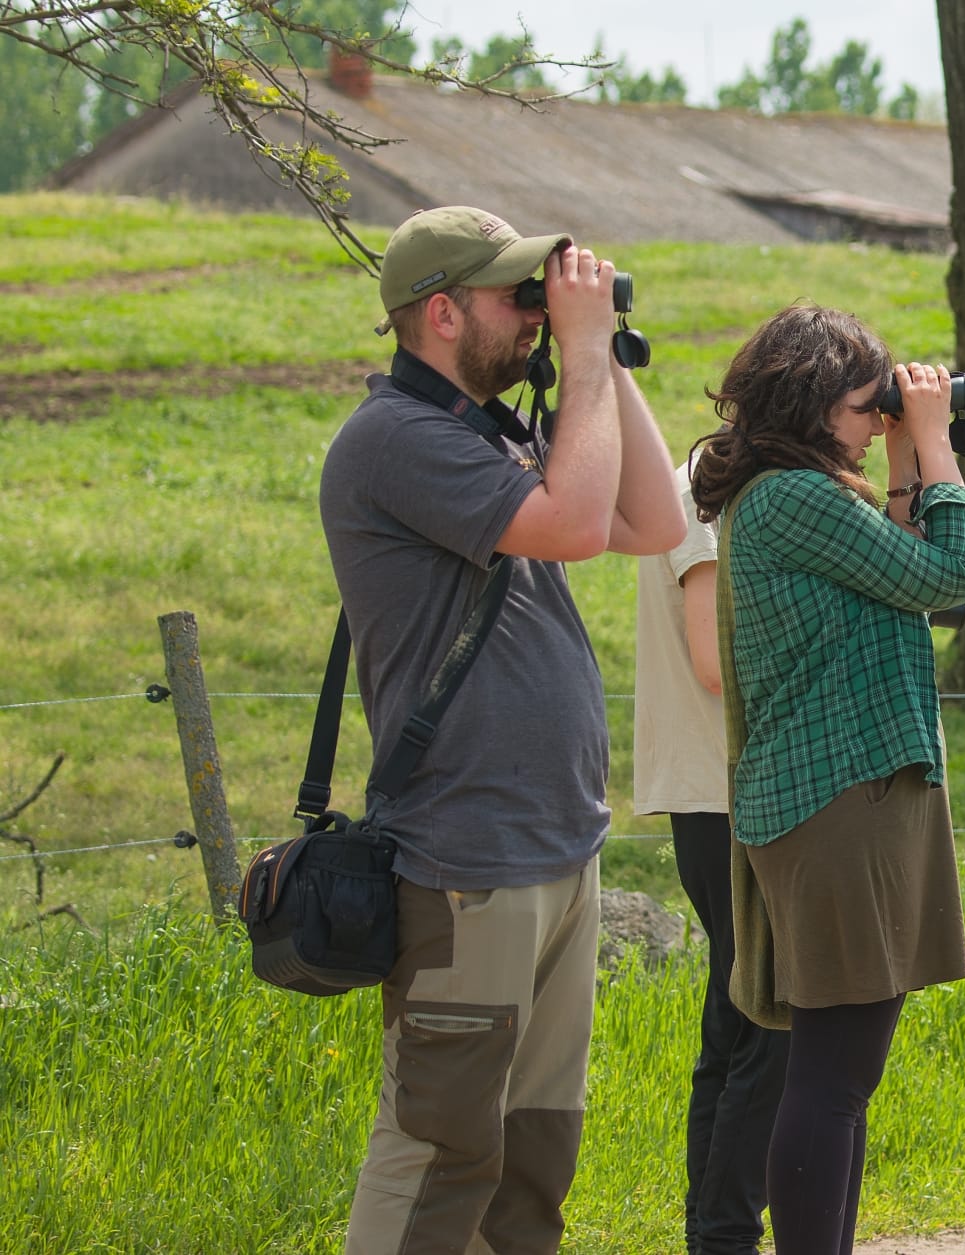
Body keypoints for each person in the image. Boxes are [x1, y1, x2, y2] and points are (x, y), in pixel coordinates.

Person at [319, 204, 684, 1255]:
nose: (533, 312)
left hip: (557, 849)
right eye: (513, 295)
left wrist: (600, 356)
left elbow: (650, 523)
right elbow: (575, 526)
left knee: (530, 1165)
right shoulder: (396, 438)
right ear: (440, 313)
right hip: (468, 858)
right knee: (441, 1153)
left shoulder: (497, 430)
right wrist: (572, 352)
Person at [688, 303, 965, 1255]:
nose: (878, 419)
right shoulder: (793, 498)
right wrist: (938, 443)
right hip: (837, 804)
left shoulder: (803, 493)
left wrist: (905, 459)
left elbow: (902, 571)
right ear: (814, 402)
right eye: (869, 405)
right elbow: (951, 575)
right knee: (828, 1080)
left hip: (849, 797)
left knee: (841, 1081)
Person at [634, 450, 790, 1255]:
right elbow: (711, 658)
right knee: (770, 1020)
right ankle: (726, 1232)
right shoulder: (712, 486)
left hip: (719, 787)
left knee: (737, 1020)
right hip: (721, 789)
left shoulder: (719, 476)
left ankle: (714, 1230)